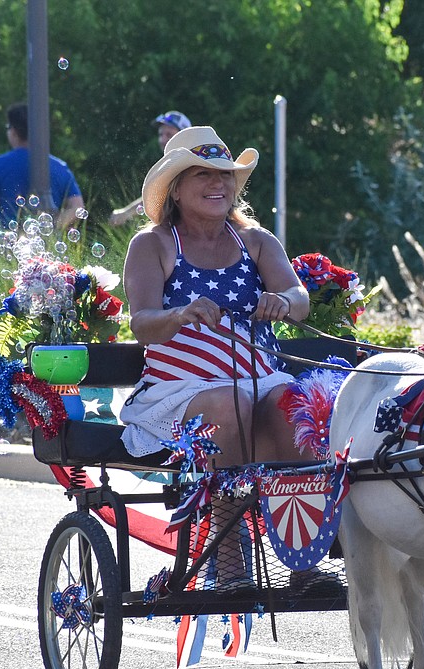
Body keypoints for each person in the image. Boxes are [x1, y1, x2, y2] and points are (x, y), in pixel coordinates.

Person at [119, 126, 314, 594]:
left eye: (226, 176)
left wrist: (283, 303)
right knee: (227, 406)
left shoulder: (257, 241)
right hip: (179, 390)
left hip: (257, 376)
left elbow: (299, 296)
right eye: (204, 175)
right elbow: (142, 323)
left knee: (297, 405)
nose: (219, 184)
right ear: (176, 190)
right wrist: (180, 314)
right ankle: (228, 563)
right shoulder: (153, 244)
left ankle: (304, 561)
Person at [0, 103, 85, 230]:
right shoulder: (60, 167)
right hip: (48, 247)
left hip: (8, 243)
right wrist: (52, 227)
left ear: (13, 131)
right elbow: (78, 207)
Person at [108, 110, 192, 227]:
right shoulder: (172, 163)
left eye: (169, 135)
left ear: (184, 137)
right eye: (160, 135)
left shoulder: (188, 165)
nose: (162, 140)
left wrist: (126, 213)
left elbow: (158, 195)